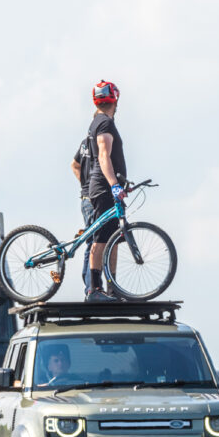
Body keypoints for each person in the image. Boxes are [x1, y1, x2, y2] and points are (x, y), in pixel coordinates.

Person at [84, 80, 128, 302]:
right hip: (104, 189)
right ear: (115, 100)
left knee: (114, 238)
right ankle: (94, 289)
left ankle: (112, 289)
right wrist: (114, 184)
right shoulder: (104, 124)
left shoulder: (99, 121)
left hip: (107, 188)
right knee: (101, 239)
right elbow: (103, 155)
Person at [71, 131, 97, 291]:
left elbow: (74, 165)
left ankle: (90, 285)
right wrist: (88, 186)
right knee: (95, 241)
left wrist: (84, 184)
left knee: (92, 241)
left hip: (86, 197)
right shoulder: (97, 142)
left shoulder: (85, 142)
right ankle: (90, 286)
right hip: (92, 198)